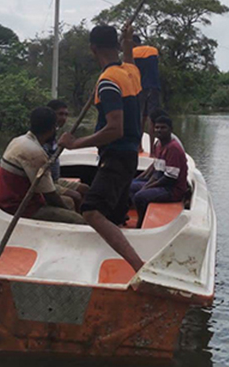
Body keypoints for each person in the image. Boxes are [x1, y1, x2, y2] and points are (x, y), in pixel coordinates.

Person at [58, 24, 144, 272]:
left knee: (91, 210)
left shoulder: (107, 82)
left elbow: (114, 129)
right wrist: (128, 43)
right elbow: (129, 61)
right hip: (129, 157)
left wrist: (75, 145)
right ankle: (111, 262)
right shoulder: (129, 72)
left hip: (116, 155)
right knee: (114, 214)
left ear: (92, 49)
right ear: (116, 46)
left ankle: (139, 266)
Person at [0, 106, 85, 224]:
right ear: (53, 128)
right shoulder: (35, 152)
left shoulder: (18, 140)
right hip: (21, 208)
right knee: (78, 220)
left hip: (13, 201)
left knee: (69, 201)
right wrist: (68, 212)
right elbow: (50, 195)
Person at [129, 115, 188, 228]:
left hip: (173, 189)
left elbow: (170, 179)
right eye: (157, 128)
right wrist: (142, 181)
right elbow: (156, 169)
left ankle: (140, 223)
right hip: (163, 183)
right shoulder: (158, 144)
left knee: (139, 197)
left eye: (163, 128)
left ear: (171, 129)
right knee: (130, 185)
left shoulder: (173, 148)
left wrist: (147, 186)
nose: (159, 130)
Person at [43, 99, 89, 212]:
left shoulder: (54, 134)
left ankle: (86, 216)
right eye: (60, 114)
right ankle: (78, 221)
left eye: (66, 115)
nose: (63, 118)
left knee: (85, 189)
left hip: (56, 180)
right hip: (48, 182)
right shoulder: (44, 134)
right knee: (76, 196)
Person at [132, 35, 161, 154]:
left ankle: (139, 147)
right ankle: (153, 151)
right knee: (151, 118)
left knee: (140, 118)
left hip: (140, 87)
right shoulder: (153, 50)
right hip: (154, 86)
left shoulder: (132, 53)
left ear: (133, 43)